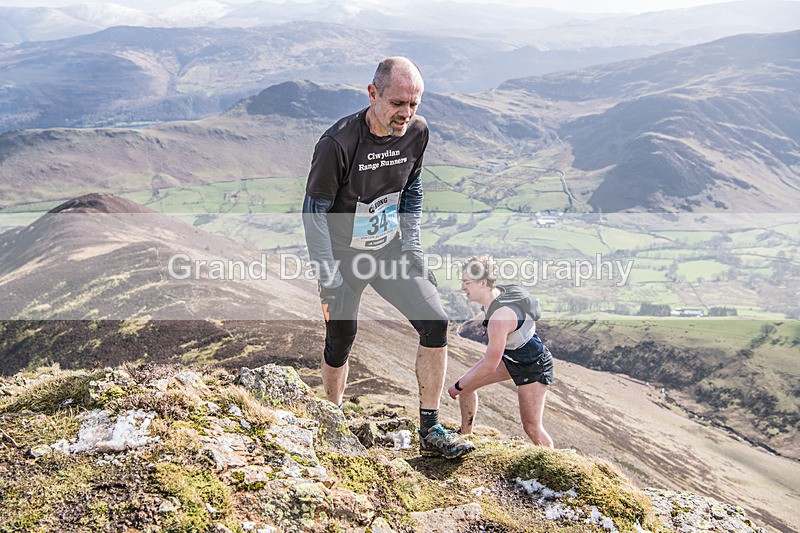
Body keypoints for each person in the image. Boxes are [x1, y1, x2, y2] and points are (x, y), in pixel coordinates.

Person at [302, 57, 474, 459]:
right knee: (340, 339)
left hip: (388, 249)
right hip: (343, 257)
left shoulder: (417, 131)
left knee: (436, 322)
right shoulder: (337, 143)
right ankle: (333, 417)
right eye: (398, 103)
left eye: (414, 104)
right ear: (373, 93)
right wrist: (328, 274)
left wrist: (412, 246)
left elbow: (412, 190)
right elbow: (314, 214)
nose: (406, 114)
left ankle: (430, 428)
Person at [448, 256, 554, 447]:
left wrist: (457, 386)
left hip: (533, 366)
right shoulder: (497, 295)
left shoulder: (500, 317)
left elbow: (490, 364)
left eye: (467, 282)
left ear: (483, 282)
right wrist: (462, 385)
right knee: (467, 389)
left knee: (532, 427)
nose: (463, 287)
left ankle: (555, 466)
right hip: (512, 357)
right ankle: (465, 437)